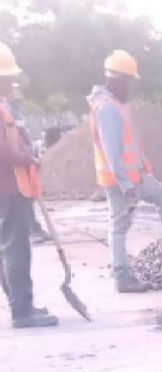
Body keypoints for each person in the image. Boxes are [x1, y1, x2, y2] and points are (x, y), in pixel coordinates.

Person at [88, 50, 162, 293]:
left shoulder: (116, 105)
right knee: (119, 226)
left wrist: (144, 168)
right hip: (122, 181)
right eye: (128, 81)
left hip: (136, 176)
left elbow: (130, 142)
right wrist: (126, 185)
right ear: (116, 79)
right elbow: (112, 151)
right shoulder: (107, 109)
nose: (130, 87)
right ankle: (122, 276)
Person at [0, 43, 58, 328]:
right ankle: (22, 311)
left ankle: (19, 304)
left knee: (8, 247)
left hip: (11, 187)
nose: (11, 81)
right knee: (15, 248)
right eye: (6, 76)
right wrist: (29, 159)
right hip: (8, 189)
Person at [9, 83, 52, 244]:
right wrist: (27, 157)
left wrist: (33, 155)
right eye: (15, 89)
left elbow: (25, 136)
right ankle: (31, 229)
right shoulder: (7, 110)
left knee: (28, 197)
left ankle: (32, 227)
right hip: (18, 164)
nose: (19, 92)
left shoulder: (18, 112)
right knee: (22, 198)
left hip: (26, 160)